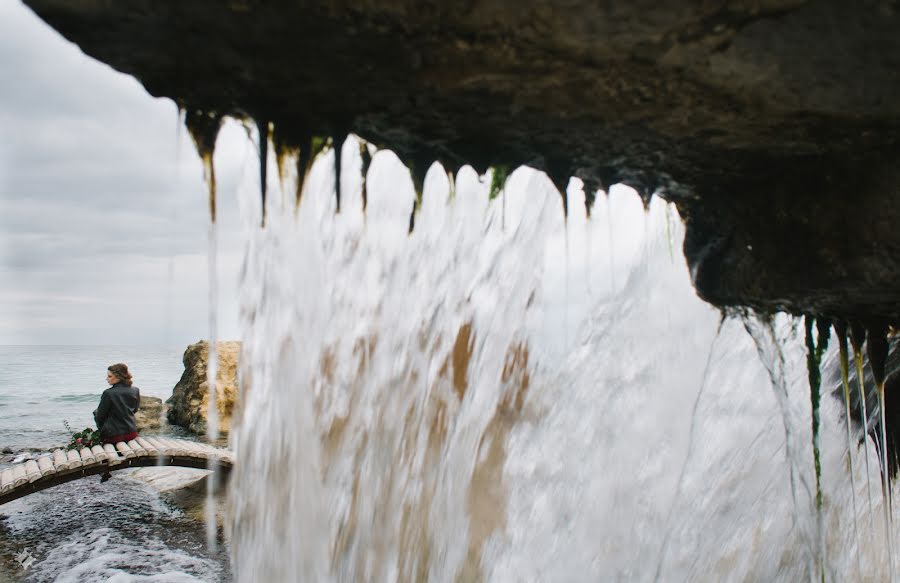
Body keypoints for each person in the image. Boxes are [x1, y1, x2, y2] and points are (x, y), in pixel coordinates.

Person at [93, 363, 141, 482]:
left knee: (96, 413)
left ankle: (105, 470)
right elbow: (134, 410)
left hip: (114, 436)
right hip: (131, 433)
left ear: (118, 377)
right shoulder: (135, 390)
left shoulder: (108, 393)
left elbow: (100, 416)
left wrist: (101, 430)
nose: (107, 379)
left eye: (109, 376)